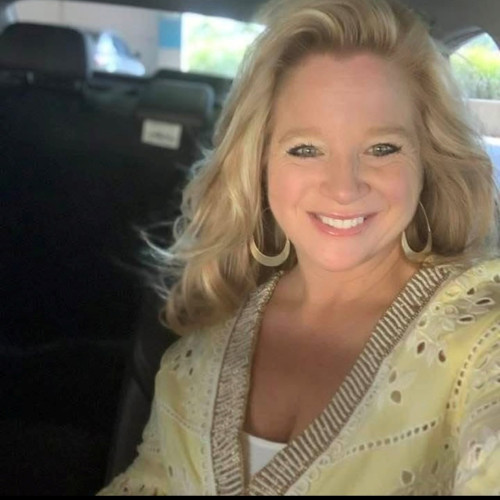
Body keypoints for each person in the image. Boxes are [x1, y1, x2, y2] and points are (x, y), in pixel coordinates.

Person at [98, 0, 500, 495]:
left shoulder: (481, 335)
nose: (344, 187)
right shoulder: (203, 346)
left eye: (383, 148)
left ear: (427, 159)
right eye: (305, 149)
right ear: (260, 161)